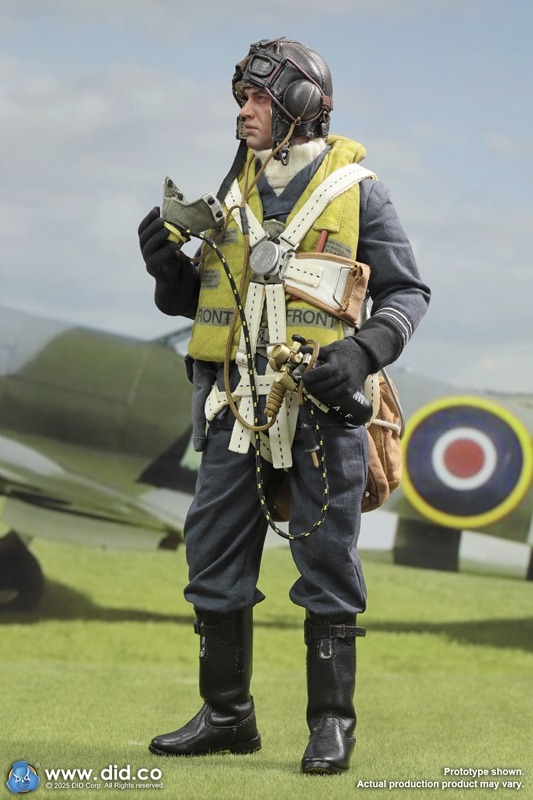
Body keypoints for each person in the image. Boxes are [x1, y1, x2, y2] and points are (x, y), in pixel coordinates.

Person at [138, 37, 430, 775]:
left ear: (299, 104)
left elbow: (407, 292)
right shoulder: (234, 186)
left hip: (322, 409)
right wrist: (167, 274)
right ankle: (226, 715)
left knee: (327, 559)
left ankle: (331, 723)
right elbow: (211, 294)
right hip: (235, 404)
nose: (243, 112)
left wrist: (359, 355)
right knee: (211, 550)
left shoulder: (358, 190)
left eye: (257, 99)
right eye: (241, 98)